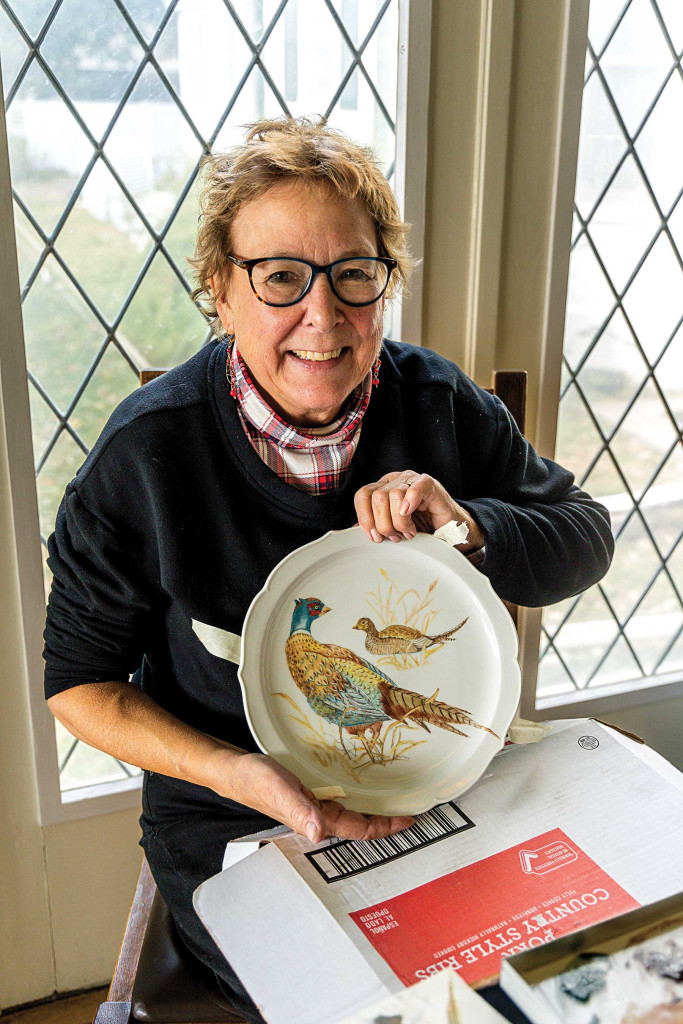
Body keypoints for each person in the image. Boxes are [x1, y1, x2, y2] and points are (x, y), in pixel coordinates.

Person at [43, 117, 613, 1022]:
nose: (323, 314)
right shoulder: (144, 455)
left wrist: (472, 526)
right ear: (220, 294)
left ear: (384, 286)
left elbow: (585, 535)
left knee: (582, 981)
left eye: (353, 273)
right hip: (243, 823)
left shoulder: (437, 403)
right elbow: (79, 686)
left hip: (448, 790)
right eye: (279, 277)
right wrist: (239, 774)